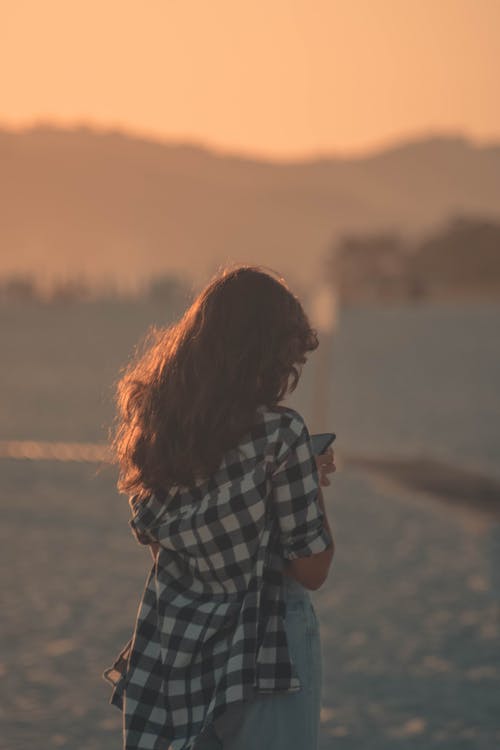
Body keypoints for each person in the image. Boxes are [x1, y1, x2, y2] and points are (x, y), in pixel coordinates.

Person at [102, 264, 336, 750]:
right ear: (267, 357)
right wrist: (307, 484)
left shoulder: (164, 432)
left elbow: (181, 549)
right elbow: (311, 568)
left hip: (175, 642)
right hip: (266, 644)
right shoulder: (281, 436)